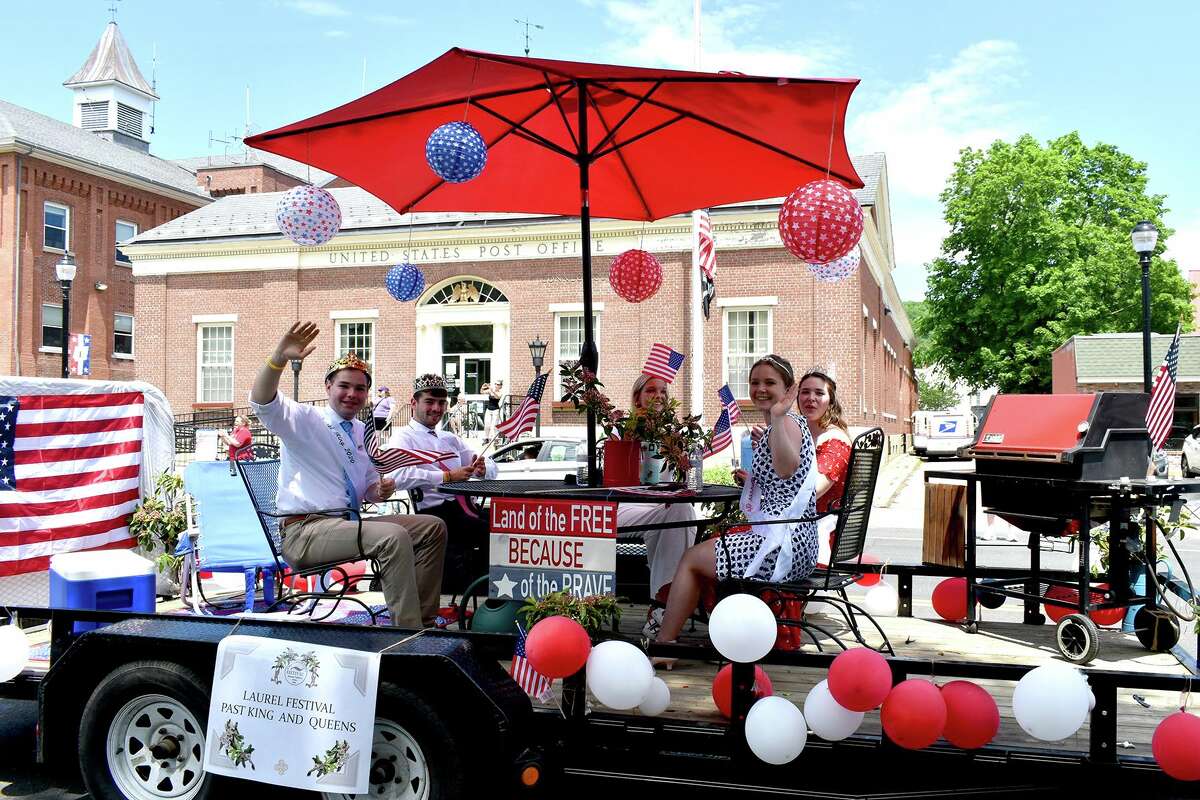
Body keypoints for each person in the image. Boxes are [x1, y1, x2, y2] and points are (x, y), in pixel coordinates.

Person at [249, 323, 447, 628]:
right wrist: (278, 358)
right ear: (328, 387)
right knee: (392, 537)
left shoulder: (361, 431)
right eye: (344, 386)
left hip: (344, 525)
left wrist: (378, 491)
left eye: (360, 388)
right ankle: (407, 635)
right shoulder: (306, 419)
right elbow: (263, 402)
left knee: (432, 527)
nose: (352, 394)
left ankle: (423, 621)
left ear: (368, 393)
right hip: (306, 532)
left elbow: (368, 487)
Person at [654, 354, 818, 663]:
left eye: (770, 383)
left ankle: (665, 644)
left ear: (788, 389)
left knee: (691, 558)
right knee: (705, 550)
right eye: (755, 382)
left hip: (782, 548)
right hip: (797, 542)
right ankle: (712, 631)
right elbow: (786, 482)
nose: (761, 389)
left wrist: (780, 418)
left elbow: (786, 468)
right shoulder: (780, 428)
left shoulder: (788, 424)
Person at [387, 373, 498, 592]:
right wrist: (446, 477)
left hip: (466, 508)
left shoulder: (450, 439)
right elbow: (397, 476)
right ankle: (485, 589)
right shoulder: (404, 438)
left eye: (441, 403)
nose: (436, 409)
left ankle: (492, 585)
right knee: (492, 531)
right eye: (429, 402)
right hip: (437, 513)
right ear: (413, 403)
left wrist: (484, 469)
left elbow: (491, 468)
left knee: (505, 522)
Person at [617, 374, 699, 638]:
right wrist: (632, 433)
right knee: (677, 513)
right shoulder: (620, 429)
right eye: (651, 390)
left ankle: (661, 609)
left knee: (681, 510)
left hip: (661, 509)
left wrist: (680, 453)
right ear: (637, 397)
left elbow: (690, 482)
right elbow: (613, 478)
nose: (659, 395)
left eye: (663, 391)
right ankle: (666, 607)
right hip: (625, 507)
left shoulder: (675, 435)